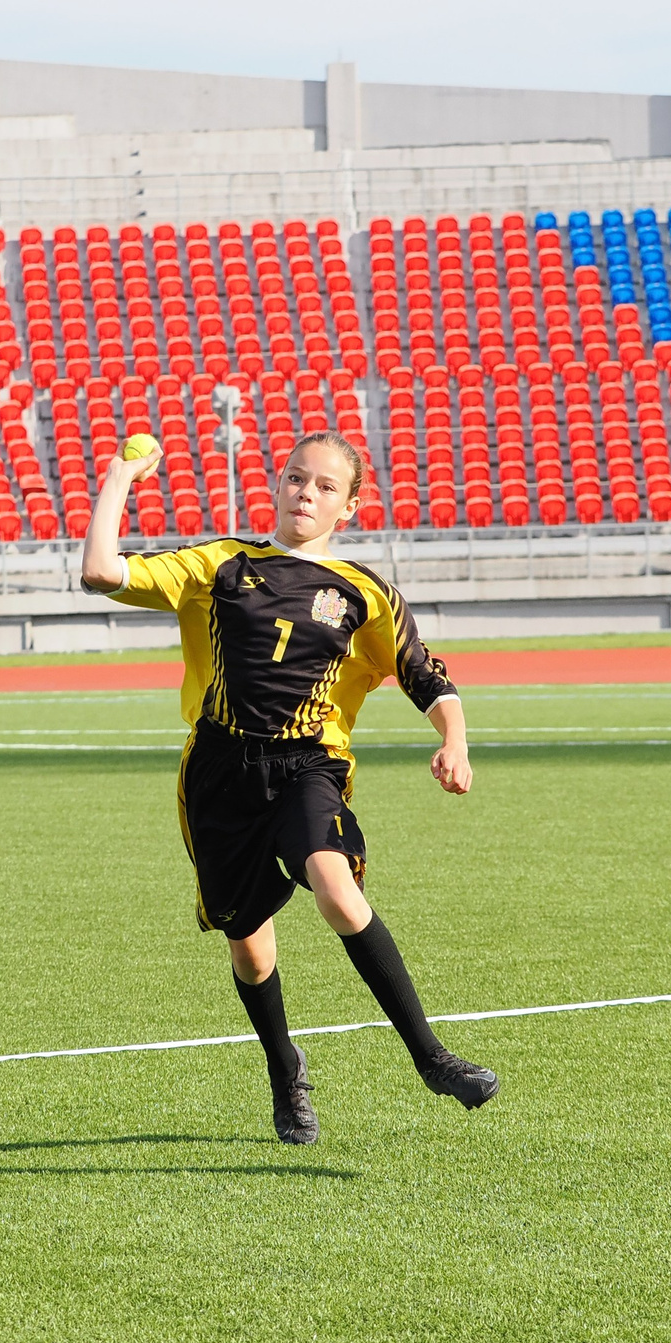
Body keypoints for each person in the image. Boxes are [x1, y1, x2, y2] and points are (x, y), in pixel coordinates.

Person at [79, 430, 498, 1145]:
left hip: (308, 765)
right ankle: (284, 1068)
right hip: (218, 774)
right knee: (248, 947)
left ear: (351, 506)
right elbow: (98, 571)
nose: (307, 492)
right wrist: (120, 476)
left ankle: (431, 1058)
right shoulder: (221, 563)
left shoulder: (367, 593)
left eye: (326, 486)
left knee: (337, 888)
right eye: (296, 478)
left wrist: (454, 740)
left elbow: (428, 676)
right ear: (276, 484)